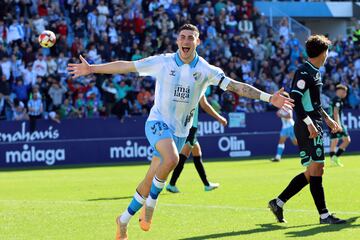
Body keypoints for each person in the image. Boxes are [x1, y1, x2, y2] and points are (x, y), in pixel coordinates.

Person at [68, 24, 293, 240]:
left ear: (197, 41)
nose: (186, 41)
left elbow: (236, 86)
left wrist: (268, 97)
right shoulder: (162, 62)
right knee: (173, 158)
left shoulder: (206, 70)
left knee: (150, 178)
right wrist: (92, 69)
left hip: (180, 131)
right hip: (157, 122)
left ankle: (124, 220)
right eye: (182, 37)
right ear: (177, 40)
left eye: (190, 38)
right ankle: (151, 205)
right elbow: (126, 65)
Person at [268, 35, 346, 225]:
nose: (327, 55)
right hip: (307, 125)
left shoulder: (315, 72)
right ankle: (324, 215)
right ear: (322, 52)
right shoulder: (304, 72)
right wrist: (310, 123)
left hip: (315, 123)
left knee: (314, 170)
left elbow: (315, 103)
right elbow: (295, 100)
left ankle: (278, 202)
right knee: (316, 169)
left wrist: (327, 119)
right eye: (327, 51)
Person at [166, 95, 227, 193]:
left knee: (196, 153)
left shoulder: (186, 84)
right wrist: (219, 117)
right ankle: (169, 183)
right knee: (182, 157)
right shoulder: (198, 85)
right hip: (189, 127)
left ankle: (206, 184)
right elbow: (205, 105)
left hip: (186, 126)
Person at [271, 91, 298, 162]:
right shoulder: (281, 106)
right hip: (284, 128)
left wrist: (281, 115)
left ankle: (310, 151)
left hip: (291, 127)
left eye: (281, 97)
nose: (280, 98)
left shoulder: (288, 106)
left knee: (296, 143)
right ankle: (277, 157)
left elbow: (289, 116)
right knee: (281, 141)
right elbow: (278, 113)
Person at [329, 84, 351, 167]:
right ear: (339, 91)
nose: (345, 93)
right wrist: (338, 125)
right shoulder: (338, 100)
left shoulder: (333, 99)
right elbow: (335, 112)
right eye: (344, 91)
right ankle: (336, 157)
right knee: (347, 140)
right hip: (337, 123)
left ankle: (333, 160)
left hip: (331, 123)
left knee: (334, 141)